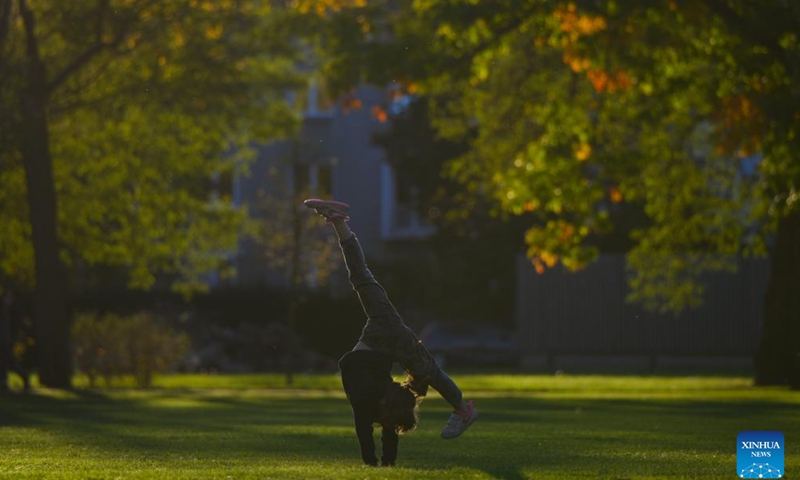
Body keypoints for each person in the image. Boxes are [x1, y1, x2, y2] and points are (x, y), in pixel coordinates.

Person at [303, 198, 478, 467]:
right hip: (384, 334)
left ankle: (338, 220)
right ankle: (462, 409)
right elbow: (376, 431)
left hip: (378, 333)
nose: (388, 429)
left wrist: (376, 465)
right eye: (393, 426)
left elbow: (369, 431)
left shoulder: (370, 403)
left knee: (360, 277)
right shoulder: (376, 401)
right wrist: (380, 465)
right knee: (429, 371)